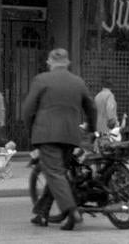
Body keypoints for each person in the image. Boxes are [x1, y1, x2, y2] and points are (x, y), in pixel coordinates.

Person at [21, 48, 96, 231]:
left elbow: (28, 109)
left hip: (47, 134)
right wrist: (91, 130)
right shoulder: (78, 82)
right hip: (71, 136)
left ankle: (72, 210)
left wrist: (31, 130)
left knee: (54, 173)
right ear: (67, 63)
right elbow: (91, 108)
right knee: (58, 173)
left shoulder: (41, 79)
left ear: (49, 62)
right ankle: (42, 213)